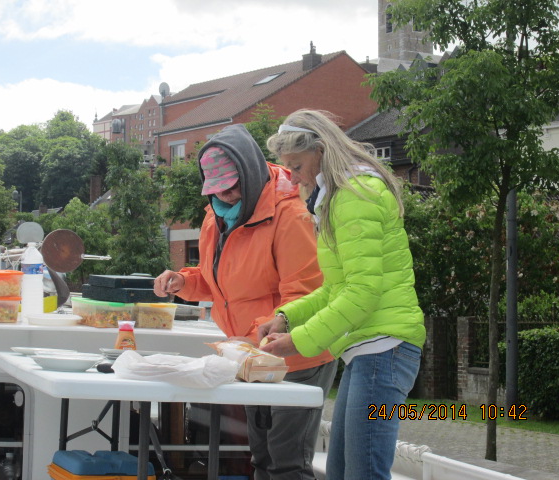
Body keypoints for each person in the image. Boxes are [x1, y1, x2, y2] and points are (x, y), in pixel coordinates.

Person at [154, 123, 337, 480]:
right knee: (260, 459)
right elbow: (219, 282)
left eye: (235, 186)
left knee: (286, 463)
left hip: (297, 354)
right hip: (251, 357)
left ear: (251, 172)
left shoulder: (290, 213)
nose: (230, 195)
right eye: (220, 190)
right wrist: (183, 281)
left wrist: (249, 341)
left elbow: (305, 295)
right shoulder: (216, 214)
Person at [258, 109, 426, 480]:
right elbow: (337, 289)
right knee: (343, 472)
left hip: (383, 347)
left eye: (297, 166)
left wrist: (297, 342)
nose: (295, 177)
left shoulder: (353, 196)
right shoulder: (340, 196)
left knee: (360, 473)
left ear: (320, 150)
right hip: (372, 348)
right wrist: (287, 317)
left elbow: (362, 293)